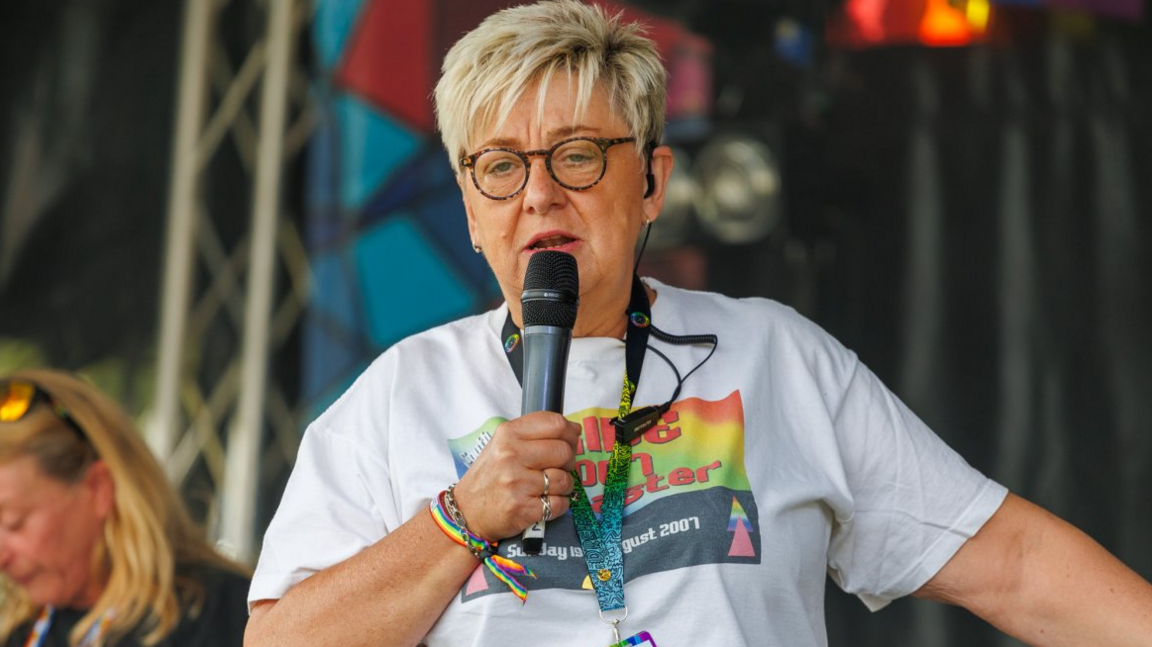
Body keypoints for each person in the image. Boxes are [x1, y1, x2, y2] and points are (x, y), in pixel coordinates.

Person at [245, 2, 1152, 646]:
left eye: (576, 155)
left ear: (653, 183)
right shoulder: (400, 394)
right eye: (500, 166)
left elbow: (1014, 563)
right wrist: (456, 520)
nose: (540, 194)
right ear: (471, 208)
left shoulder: (774, 358)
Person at [0, 369, 250, 647]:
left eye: (14, 522)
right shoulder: (22, 630)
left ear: (99, 489)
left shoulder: (222, 614)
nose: (2, 556)